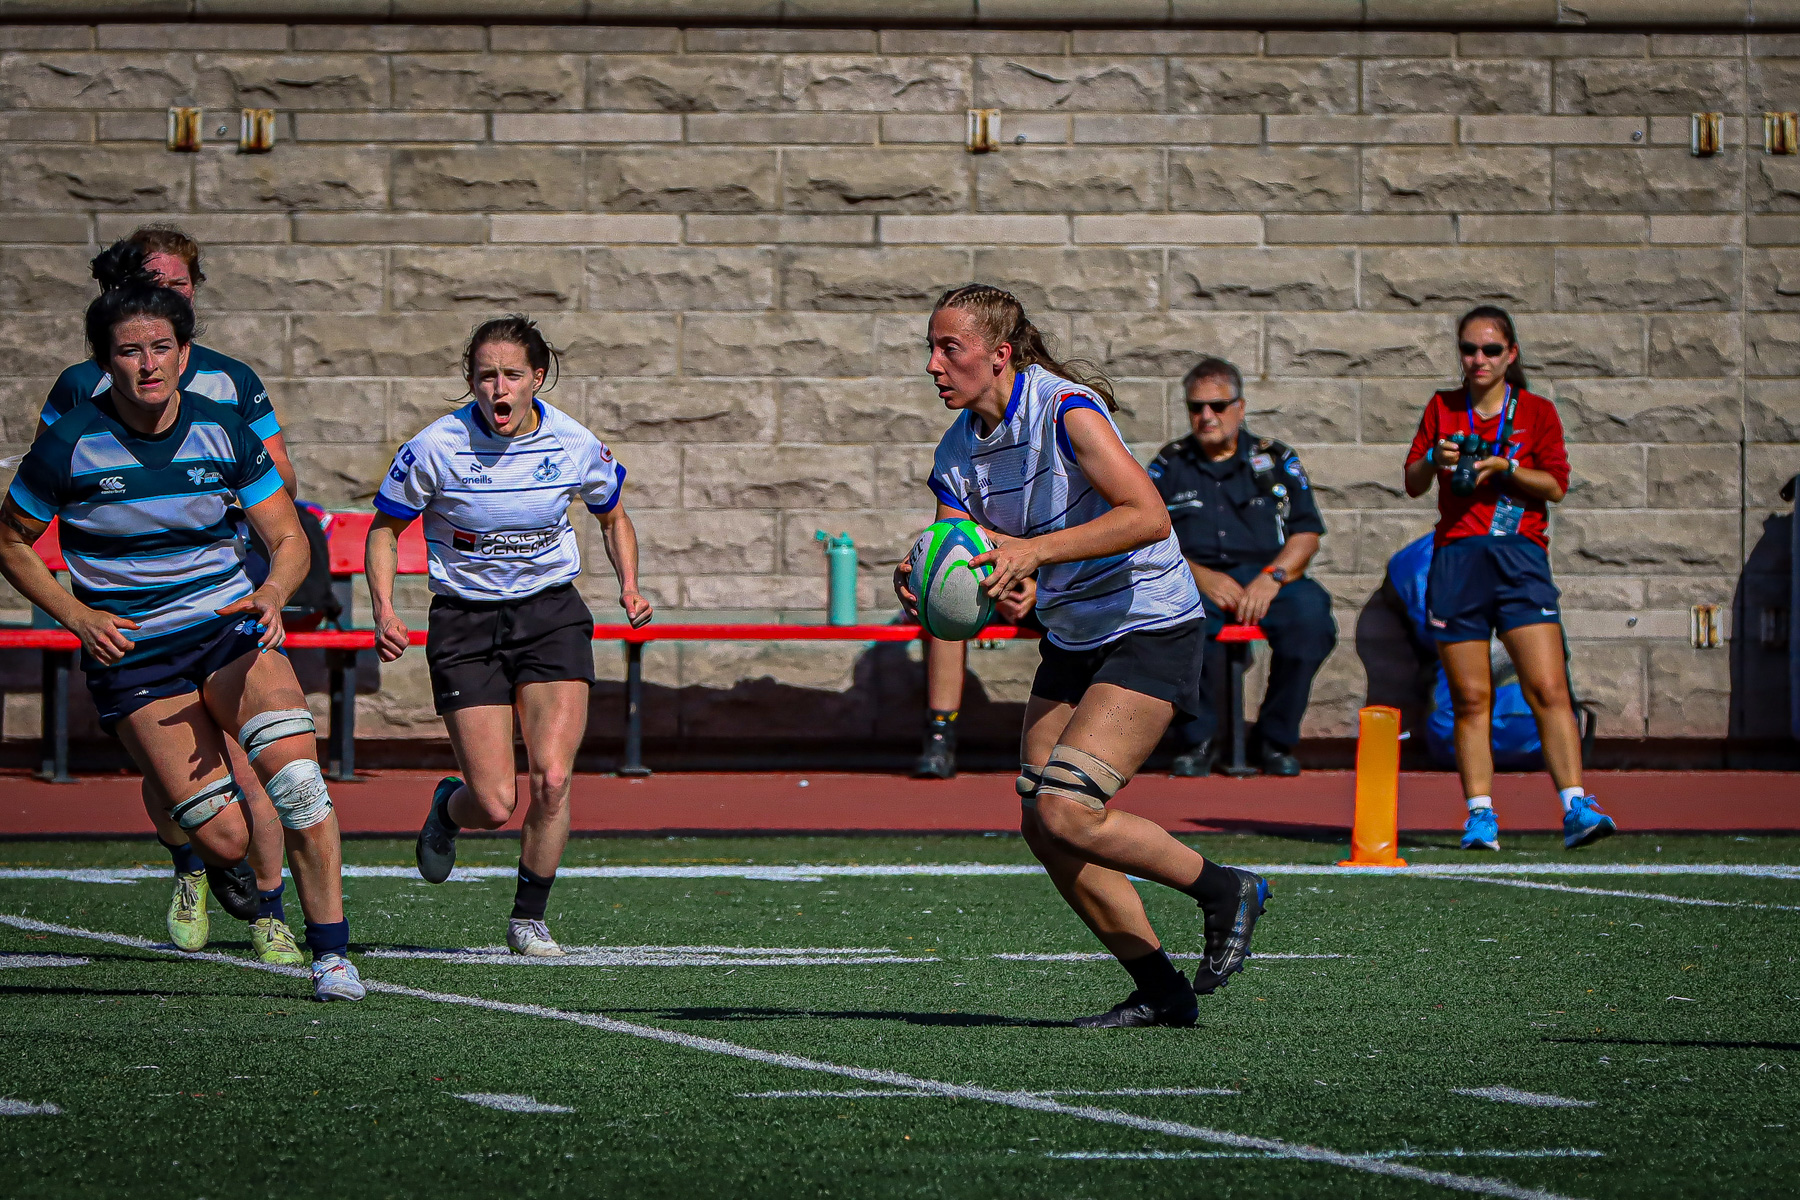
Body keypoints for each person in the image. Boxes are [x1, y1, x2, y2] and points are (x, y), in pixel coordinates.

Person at [897, 284, 1267, 1028]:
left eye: (950, 348)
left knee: (1069, 809)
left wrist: (1032, 552)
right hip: (1074, 633)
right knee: (1042, 822)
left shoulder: (1065, 409)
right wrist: (924, 581)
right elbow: (957, 555)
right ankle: (1162, 992)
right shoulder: (957, 452)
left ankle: (1225, 888)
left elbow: (1148, 516)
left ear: (1000, 355)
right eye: (930, 349)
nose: (934, 365)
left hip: (1150, 622)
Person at [0, 278, 362, 1000]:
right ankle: (194, 858)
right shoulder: (70, 444)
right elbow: (10, 541)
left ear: (184, 351)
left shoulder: (221, 427)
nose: (148, 364)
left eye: (161, 347)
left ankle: (331, 956)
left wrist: (271, 591)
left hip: (231, 630)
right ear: (105, 361)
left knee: (298, 787)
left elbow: (289, 537)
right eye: (129, 351)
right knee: (225, 838)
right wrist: (78, 616)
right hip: (137, 653)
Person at [42, 229, 302, 964]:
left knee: (263, 764)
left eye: (182, 283)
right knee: (184, 778)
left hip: (222, 602)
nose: (171, 295)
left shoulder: (230, 382)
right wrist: (86, 600)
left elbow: (278, 481)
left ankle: (270, 910)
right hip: (135, 623)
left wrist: (262, 562)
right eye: (156, 282)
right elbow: (52, 491)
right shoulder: (83, 388)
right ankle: (193, 863)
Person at [366, 314, 652, 957]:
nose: (498, 389)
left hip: (550, 615)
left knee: (552, 779)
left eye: (512, 376)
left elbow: (613, 515)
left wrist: (629, 586)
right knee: (495, 802)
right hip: (465, 622)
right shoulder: (436, 447)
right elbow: (384, 530)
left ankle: (529, 916)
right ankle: (448, 809)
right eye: (485, 376)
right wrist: (384, 607)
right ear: (470, 381)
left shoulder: (574, 442)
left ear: (537, 379)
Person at [1403, 305, 1616, 851]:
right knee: (1471, 698)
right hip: (1457, 561)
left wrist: (1505, 468)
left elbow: (1556, 485)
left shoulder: (1537, 411)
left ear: (1511, 355)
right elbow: (1412, 481)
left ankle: (1575, 805)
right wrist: (1435, 456)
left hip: (1519, 558)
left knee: (1548, 687)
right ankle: (1480, 815)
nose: (1479, 360)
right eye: (1469, 350)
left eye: (1491, 350)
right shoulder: (1442, 407)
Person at [1148, 356, 1335, 777]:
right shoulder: (1169, 465)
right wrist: (1200, 576)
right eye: (1196, 407)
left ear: (1241, 407)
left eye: (1217, 406)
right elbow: (1146, 536)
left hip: (1268, 576)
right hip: (1192, 575)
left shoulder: (1275, 459)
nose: (1206, 416)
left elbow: (1306, 533)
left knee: (1311, 618)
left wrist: (1273, 578)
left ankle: (1274, 740)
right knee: (1179, 619)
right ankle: (1199, 740)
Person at [911, 586, 1038, 780]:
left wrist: (1041, 591)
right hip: (982, 597)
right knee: (948, 615)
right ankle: (940, 737)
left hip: (1056, 596)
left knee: (1079, 616)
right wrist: (993, 596)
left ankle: (1078, 726)